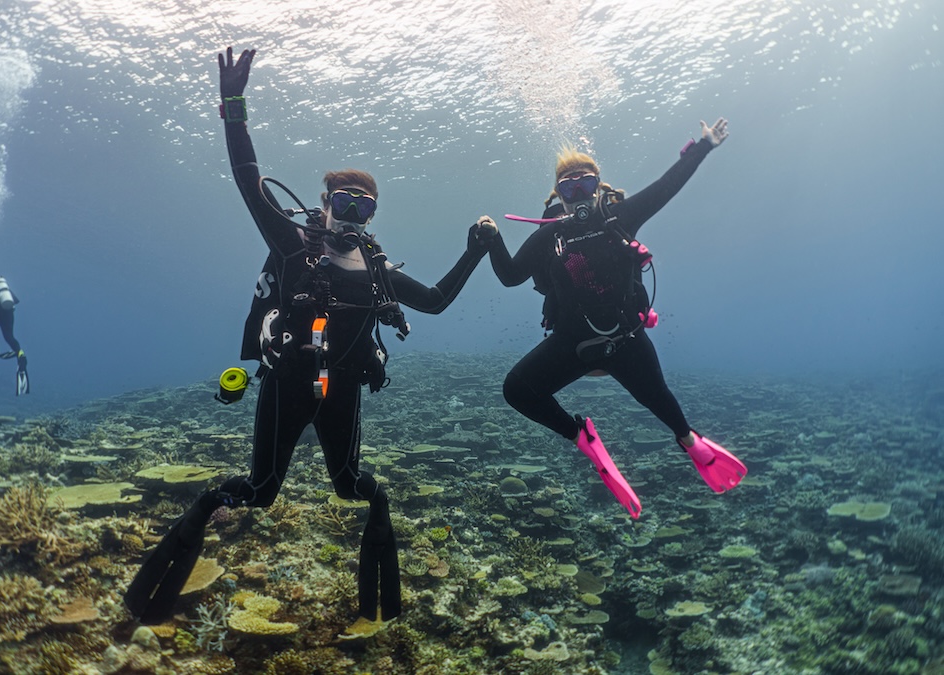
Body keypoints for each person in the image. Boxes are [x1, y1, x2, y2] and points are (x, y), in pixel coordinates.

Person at [124, 46, 496, 625]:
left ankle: (379, 556)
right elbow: (249, 182)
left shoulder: (378, 271)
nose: (353, 215)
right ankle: (196, 519)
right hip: (287, 382)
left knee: (354, 487)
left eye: (365, 207)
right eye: (345, 202)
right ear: (323, 204)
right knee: (261, 490)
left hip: (344, 389)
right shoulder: (292, 246)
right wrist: (233, 104)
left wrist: (473, 252)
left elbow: (439, 301)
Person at [485, 118, 746, 520]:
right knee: (516, 390)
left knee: (662, 404)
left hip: (626, 339)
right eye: (568, 187)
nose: (578, 194)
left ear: (598, 186)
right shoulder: (548, 235)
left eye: (585, 184)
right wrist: (492, 239)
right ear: (559, 195)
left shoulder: (618, 218)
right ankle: (582, 438)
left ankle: (692, 443)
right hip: (573, 342)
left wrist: (703, 146)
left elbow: (665, 188)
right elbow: (510, 276)